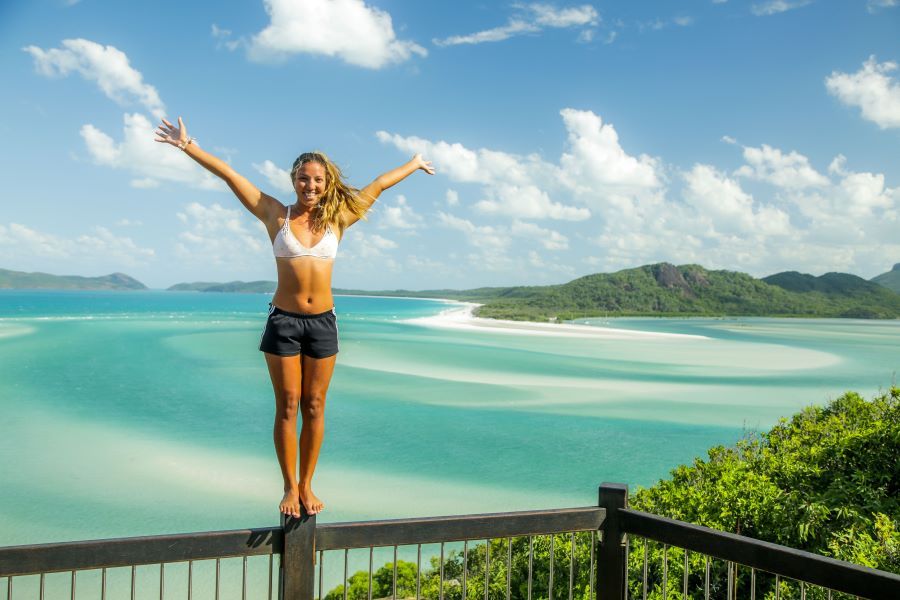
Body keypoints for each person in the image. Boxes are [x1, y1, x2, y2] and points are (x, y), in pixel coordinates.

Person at [155, 117, 434, 517]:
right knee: (287, 405)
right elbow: (230, 175)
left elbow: (379, 185)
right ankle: (288, 487)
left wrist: (413, 163)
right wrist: (189, 146)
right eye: (304, 179)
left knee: (315, 405)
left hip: (323, 323)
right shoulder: (274, 214)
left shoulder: (340, 218)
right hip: (284, 322)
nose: (312, 186)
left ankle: (307, 484)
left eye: (319, 180)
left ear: (327, 183)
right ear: (294, 180)